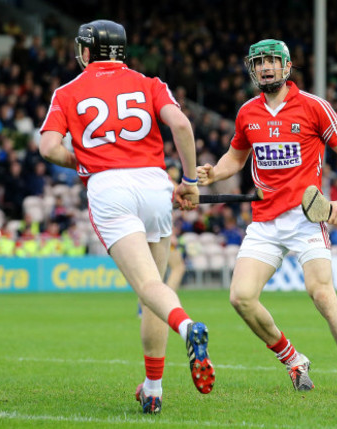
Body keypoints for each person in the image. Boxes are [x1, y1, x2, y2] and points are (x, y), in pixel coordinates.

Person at [38, 20, 214, 415]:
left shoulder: (67, 92)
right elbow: (182, 124)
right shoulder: (150, 82)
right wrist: (188, 181)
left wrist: (82, 159)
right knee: (154, 290)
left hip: (109, 188)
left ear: (86, 51)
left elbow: (48, 148)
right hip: (154, 183)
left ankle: (188, 327)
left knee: (149, 287)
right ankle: (153, 389)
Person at [197, 39, 337, 396]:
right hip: (265, 220)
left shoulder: (313, 106)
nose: (264, 67)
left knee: (322, 294)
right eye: (259, 62)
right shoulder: (247, 111)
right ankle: (293, 360)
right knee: (241, 297)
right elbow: (236, 156)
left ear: (286, 67)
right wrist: (214, 173)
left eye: (271, 61)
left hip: (306, 216)